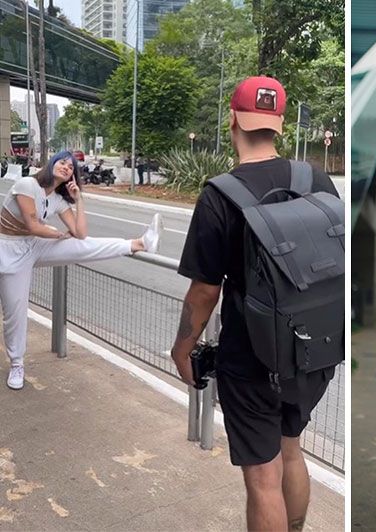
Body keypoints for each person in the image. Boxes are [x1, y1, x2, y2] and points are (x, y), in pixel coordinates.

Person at [170, 76, 340, 532]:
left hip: (252, 357)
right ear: (279, 124)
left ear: (233, 120)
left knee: (263, 479)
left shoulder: (219, 196)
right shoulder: (316, 178)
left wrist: (183, 348)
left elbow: (205, 292)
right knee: (291, 449)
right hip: (313, 350)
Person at [0, 150, 163, 390]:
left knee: (83, 246)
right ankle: (16, 362)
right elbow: (33, 225)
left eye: (71, 167)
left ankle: (139, 243)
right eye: (62, 162)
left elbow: (81, 234)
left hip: (33, 246)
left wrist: (79, 201)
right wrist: (57, 235)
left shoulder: (57, 199)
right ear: (52, 164)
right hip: (8, 248)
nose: (66, 167)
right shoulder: (27, 184)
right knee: (14, 311)